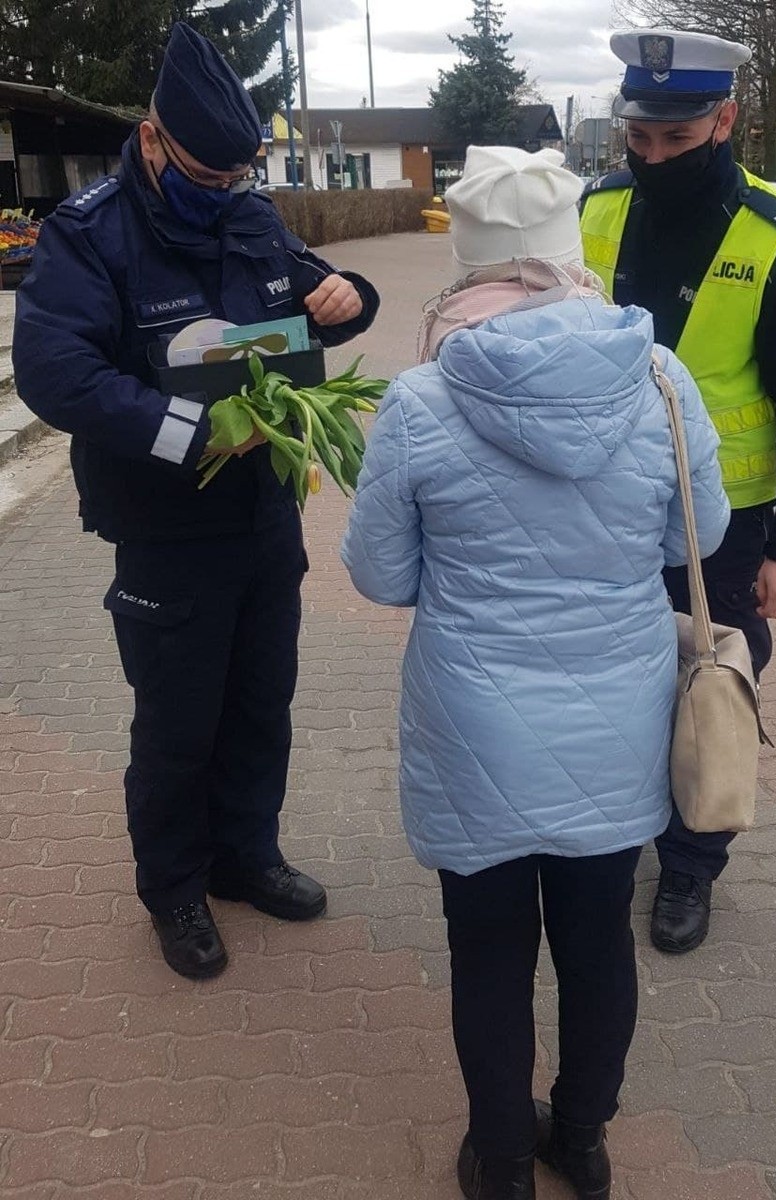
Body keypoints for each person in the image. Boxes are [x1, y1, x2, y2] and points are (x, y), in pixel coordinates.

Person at [342, 145, 730, 1200]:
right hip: (618, 708)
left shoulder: (421, 398)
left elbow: (379, 573)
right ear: (570, 252)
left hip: (476, 720)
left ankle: (503, 1159)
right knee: (600, 943)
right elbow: (697, 533)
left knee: (489, 953)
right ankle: (586, 1143)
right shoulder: (660, 375)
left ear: (466, 262)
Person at [12, 22, 379, 980]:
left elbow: (315, 294)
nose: (225, 193)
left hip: (262, 516)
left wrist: (352, 297)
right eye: (207, 175)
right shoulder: (89, 235)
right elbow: (55, 372)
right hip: (165, 529)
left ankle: (246, 857)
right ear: (151, 139)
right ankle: (173, 888)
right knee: (178, 722)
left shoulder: (250, 217)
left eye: (239, 175)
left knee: (261, 704)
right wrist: (189, 432)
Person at [581, 28, 776, 954]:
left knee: (713, 690)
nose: (653, 159)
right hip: (604, 514)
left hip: (725, 528)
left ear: (724, 119)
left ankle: (690, 868)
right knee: (620, 687)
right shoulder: (598, 209)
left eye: (677, 141)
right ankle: (621, 833)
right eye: (638, 140)